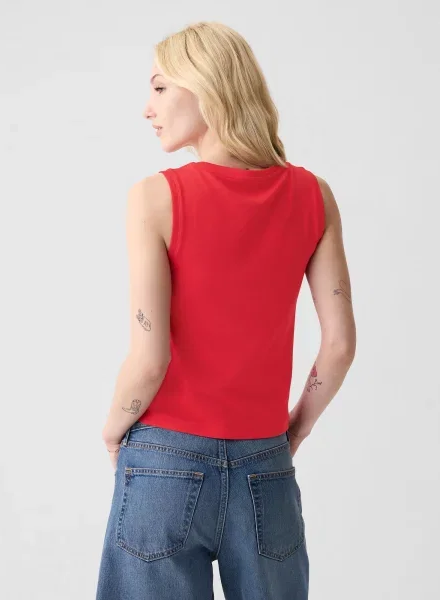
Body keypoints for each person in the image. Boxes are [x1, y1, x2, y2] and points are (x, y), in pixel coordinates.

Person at [96, 20, 356, 600]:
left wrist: (114, 429)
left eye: (160, 87)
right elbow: (339, 347)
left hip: (162, 460)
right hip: (266, 464)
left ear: (207, 87)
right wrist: (290, 434)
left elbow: (150, 359)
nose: (147, 108)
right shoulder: (314, 196)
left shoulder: (155, 197)